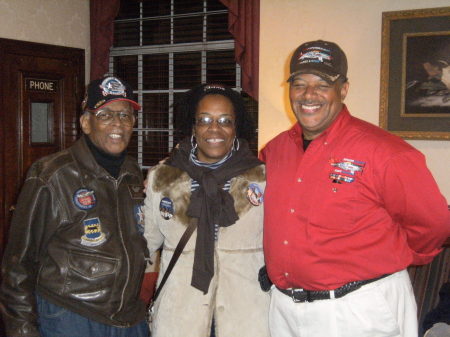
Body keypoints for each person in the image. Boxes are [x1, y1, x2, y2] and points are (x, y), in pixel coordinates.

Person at [260, 40, 450, 337]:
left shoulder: (386, 153)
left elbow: (435, 225)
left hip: (359, 309)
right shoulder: (274, 151)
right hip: (284, 309)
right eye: (299, 84)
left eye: (323, 83)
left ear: (344, 89)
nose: (309, 94)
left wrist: (389, 255)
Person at [0, 76, 150, 337]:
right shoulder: (51, 175)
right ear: (85, 123)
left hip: (129, 318)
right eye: (105, 115)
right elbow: (18, 263)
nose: (117, 123)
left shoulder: (133, 173)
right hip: (71, 316)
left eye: (125, 115)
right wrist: (21, 330)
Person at [143, 84, 270, 337]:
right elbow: (145, 244)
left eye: (225, 120)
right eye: (204, 120)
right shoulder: (162, 177)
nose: (215, 128)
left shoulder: (264, 178)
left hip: (246, 316)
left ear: (236, 127)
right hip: (180, 315)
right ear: (193, 126)